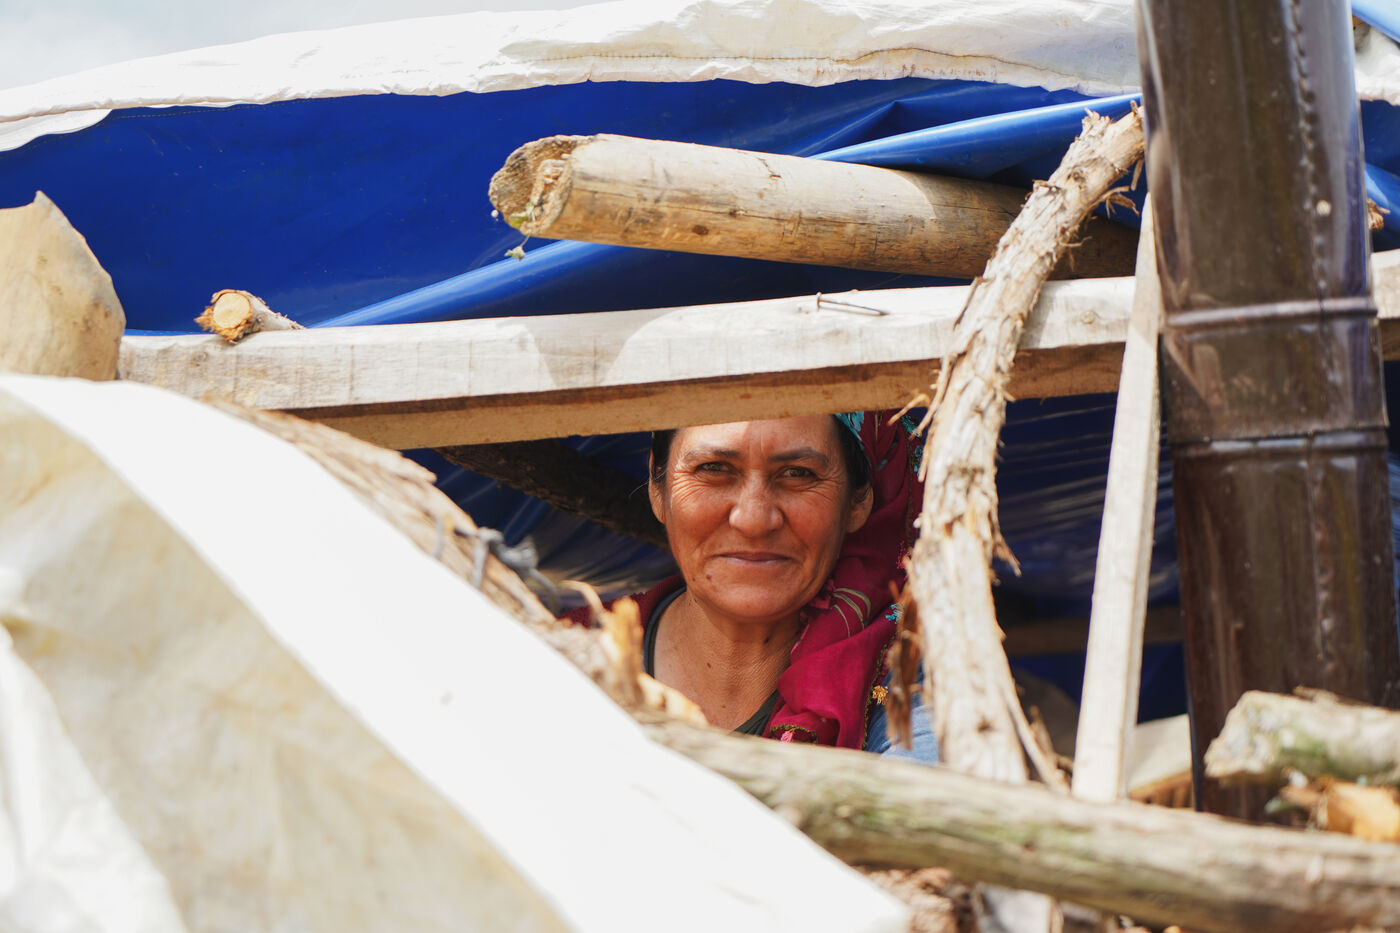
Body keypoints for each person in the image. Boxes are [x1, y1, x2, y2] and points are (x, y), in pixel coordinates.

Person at [572, 411, 937, 761]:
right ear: (657, 484)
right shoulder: (561, 656)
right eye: (714, 469)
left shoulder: (910, 679)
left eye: (798, 473)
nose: (754, 519)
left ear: (858, 499)